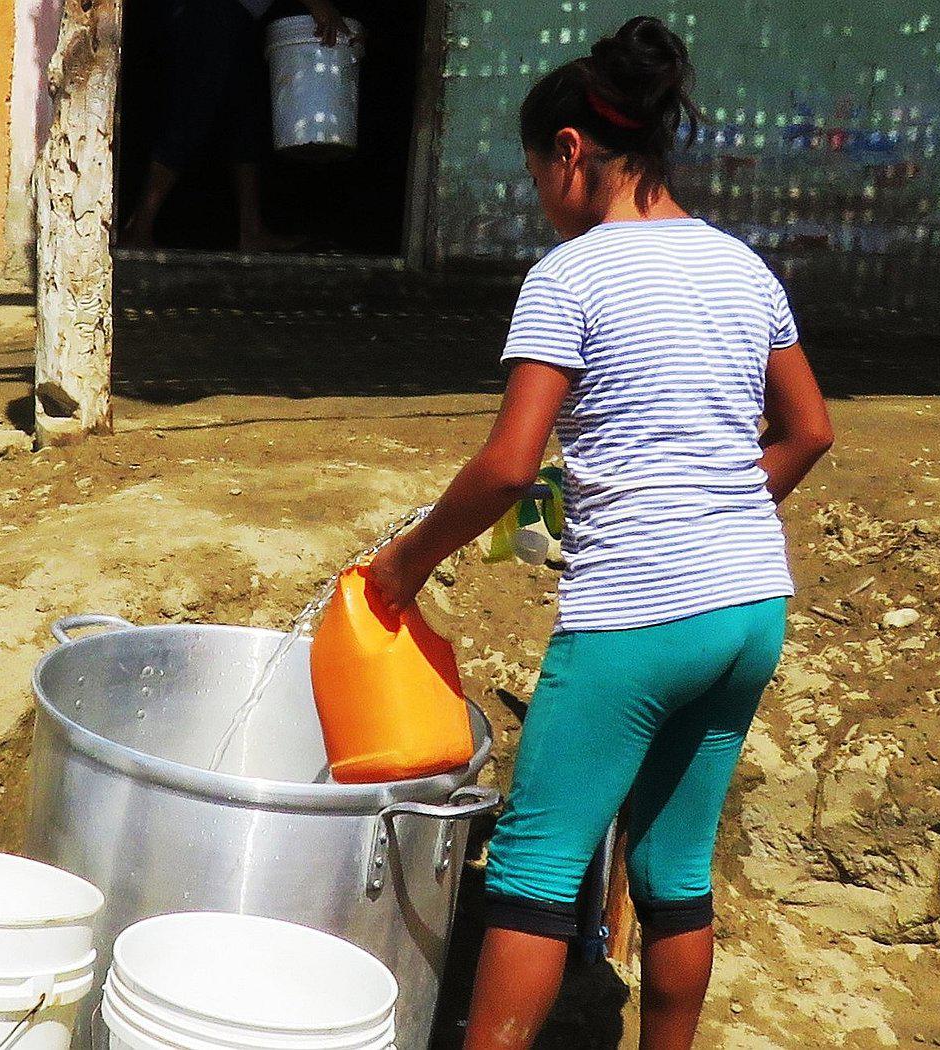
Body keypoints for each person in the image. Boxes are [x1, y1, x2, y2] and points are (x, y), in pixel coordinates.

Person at [366, 16, 833, 1050]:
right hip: (751, 603)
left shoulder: (569, 278)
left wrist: (400, 568)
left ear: (571, 153)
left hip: (638, 616)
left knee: (535, 867)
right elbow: (810, 432)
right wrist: (715, 504)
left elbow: (506, 467)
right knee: (673, 868)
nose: (542, 200)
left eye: (537, 175)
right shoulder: (744, 268)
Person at [121, 0, 351, 251]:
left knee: (246, 117)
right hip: (210, 9)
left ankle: (251, 232)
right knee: (191, 114)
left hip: (240, 13)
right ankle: (138, 230)